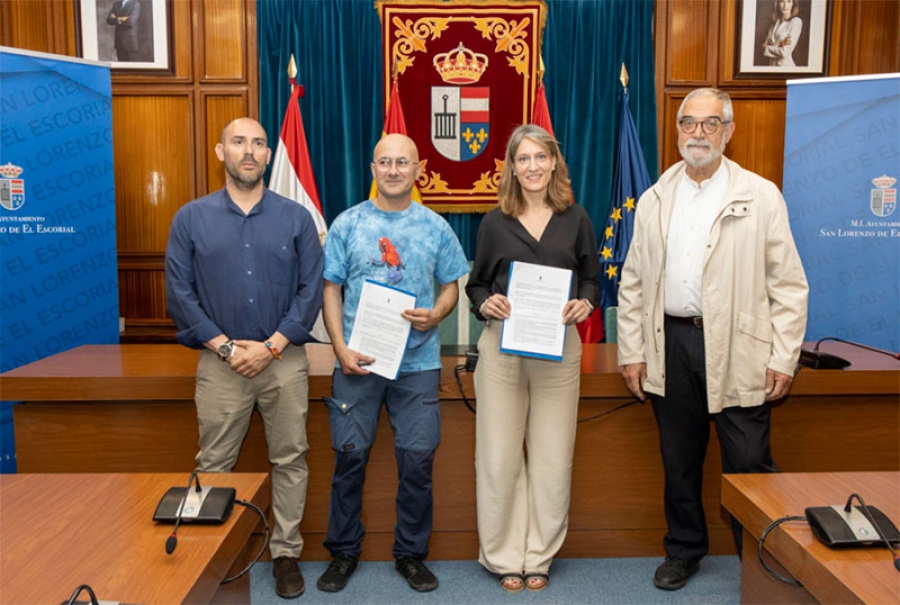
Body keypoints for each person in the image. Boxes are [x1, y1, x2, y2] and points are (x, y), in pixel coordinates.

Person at [617, 88, 809, 591]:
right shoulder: (657, 196)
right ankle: (684, 550)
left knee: (748, 463)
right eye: (688, 124)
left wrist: (785, 358)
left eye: (709, 124)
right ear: (677, 129)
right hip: (671, 344)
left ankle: (765, 559)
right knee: (679, 458)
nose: (697, 134)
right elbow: (633, 281)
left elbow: (787, 284)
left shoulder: (760, 194)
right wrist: (633, 350)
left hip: (740, 347)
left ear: (728, 131)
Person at [165, 117, 323, 600]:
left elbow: (310, 289)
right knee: (214, 461)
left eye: (258, 143)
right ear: (221, 152)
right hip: (221, 362)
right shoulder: (191, 218)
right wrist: (228, 347)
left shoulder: (295, 218)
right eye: (239, 142)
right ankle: (214, 556)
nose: (249, 151)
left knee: (291, 459)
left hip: (284, 360)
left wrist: (273, 345)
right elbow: (179, 292)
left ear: (268, 156)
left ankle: (286, 554)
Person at [316, 133, 469, 594]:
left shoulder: (435, 227)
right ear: (373, 167)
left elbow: (451, 287)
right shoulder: (347, 224)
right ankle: (343, 551)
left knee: (418, 460)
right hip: (357, 361)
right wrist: (339, 350)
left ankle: (411, 555)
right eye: (385, 161)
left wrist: (439, 313)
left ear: (418, 169)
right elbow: (330, 289)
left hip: (417, 363)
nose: (394, 169)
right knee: (349, 456)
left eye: (403, 162)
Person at [466, 124, 600, 593]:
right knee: (498, 458)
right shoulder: (494, 221)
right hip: (502, 348)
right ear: (512, 167)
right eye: (523, 159)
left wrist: (585, 302)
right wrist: (486, 303)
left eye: (540, 157)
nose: (533, 167)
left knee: (551, 458)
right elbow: (476, 284)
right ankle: (504, 557)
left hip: (558, 348)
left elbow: (591, 279)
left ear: (554, 163)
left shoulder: (576, 217)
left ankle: (539, 554)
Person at [762, 0, 803, 67]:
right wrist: (780, 46)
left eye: (789, 1)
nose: (785, 5)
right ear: (777, 3)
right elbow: (762, 47)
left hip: (786, 67)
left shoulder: (796, 22)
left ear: (793, 4)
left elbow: (784, 52)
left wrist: (766, 48)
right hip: (771, 67)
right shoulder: (775, 23)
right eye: (782, 1)